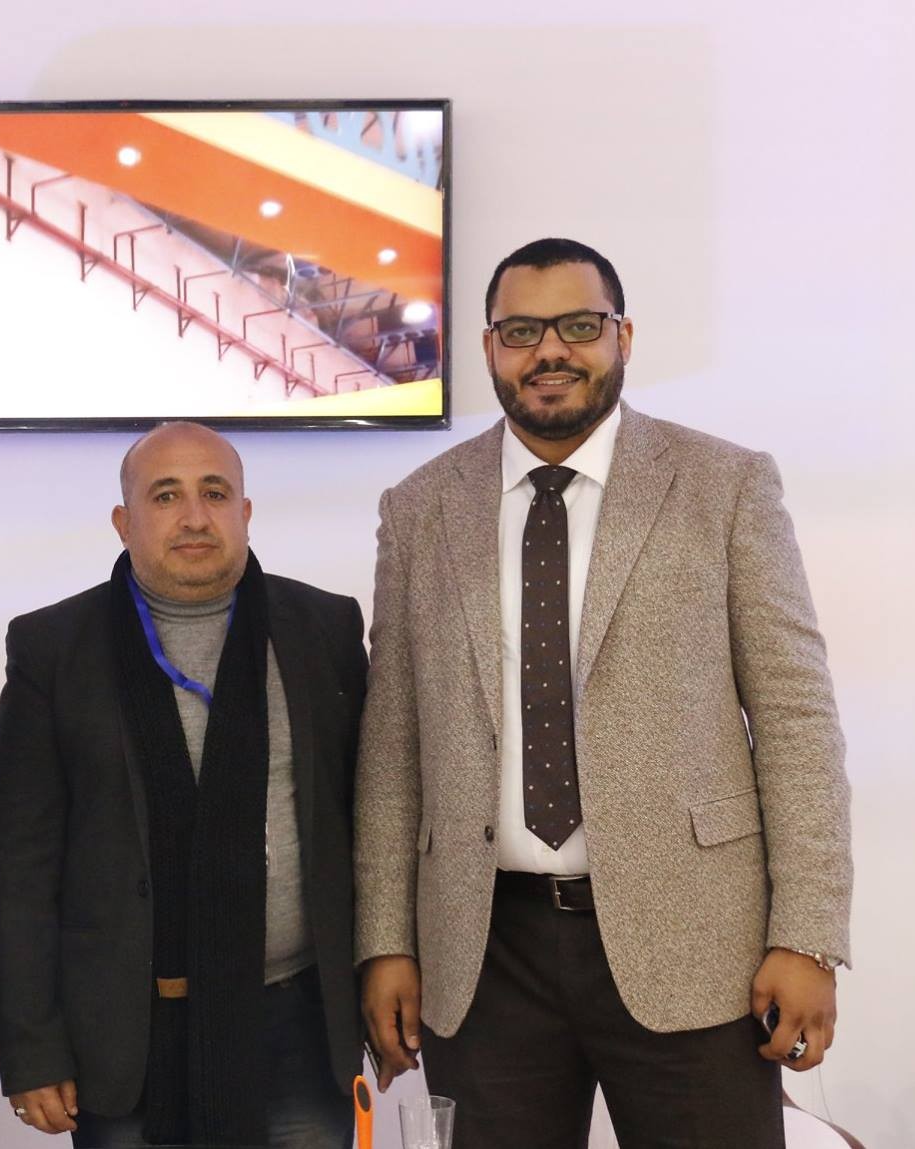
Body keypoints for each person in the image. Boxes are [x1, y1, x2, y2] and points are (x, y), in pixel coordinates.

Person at [356, 239, 852, 1148]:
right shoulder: (420, 507)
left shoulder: (725, 484)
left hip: (695, 940)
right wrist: (385, 939)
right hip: (484, 953)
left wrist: (808, 934)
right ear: (489, 347)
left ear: (623, 336)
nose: (550, 350)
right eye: (521, 331)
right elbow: (393, 744)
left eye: (579, 326)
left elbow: (796, 718)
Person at [0, 422, 368, 1149]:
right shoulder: (53, 648)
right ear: (123, 521)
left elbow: (368, 817)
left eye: (215, 493)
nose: (195, 516)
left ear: (245, 512)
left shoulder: (323, 627)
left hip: (296, 1026)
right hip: (123, 1038)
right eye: (166, 495)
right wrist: (32, 1045)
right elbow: (20, 864)